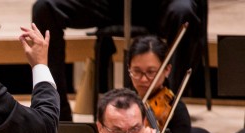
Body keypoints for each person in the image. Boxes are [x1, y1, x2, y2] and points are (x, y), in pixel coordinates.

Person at [31, 0, 203, 121]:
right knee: (45, 8)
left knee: (185, 12)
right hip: (110, 5)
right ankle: (58, 115)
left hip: (157, 6)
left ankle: (165, 110)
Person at [127, 35, 191, 133]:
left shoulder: (176, 110)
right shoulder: (122, 104)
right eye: (136, 71)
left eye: (151, 72)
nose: (143, 79)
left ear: (167, 70)